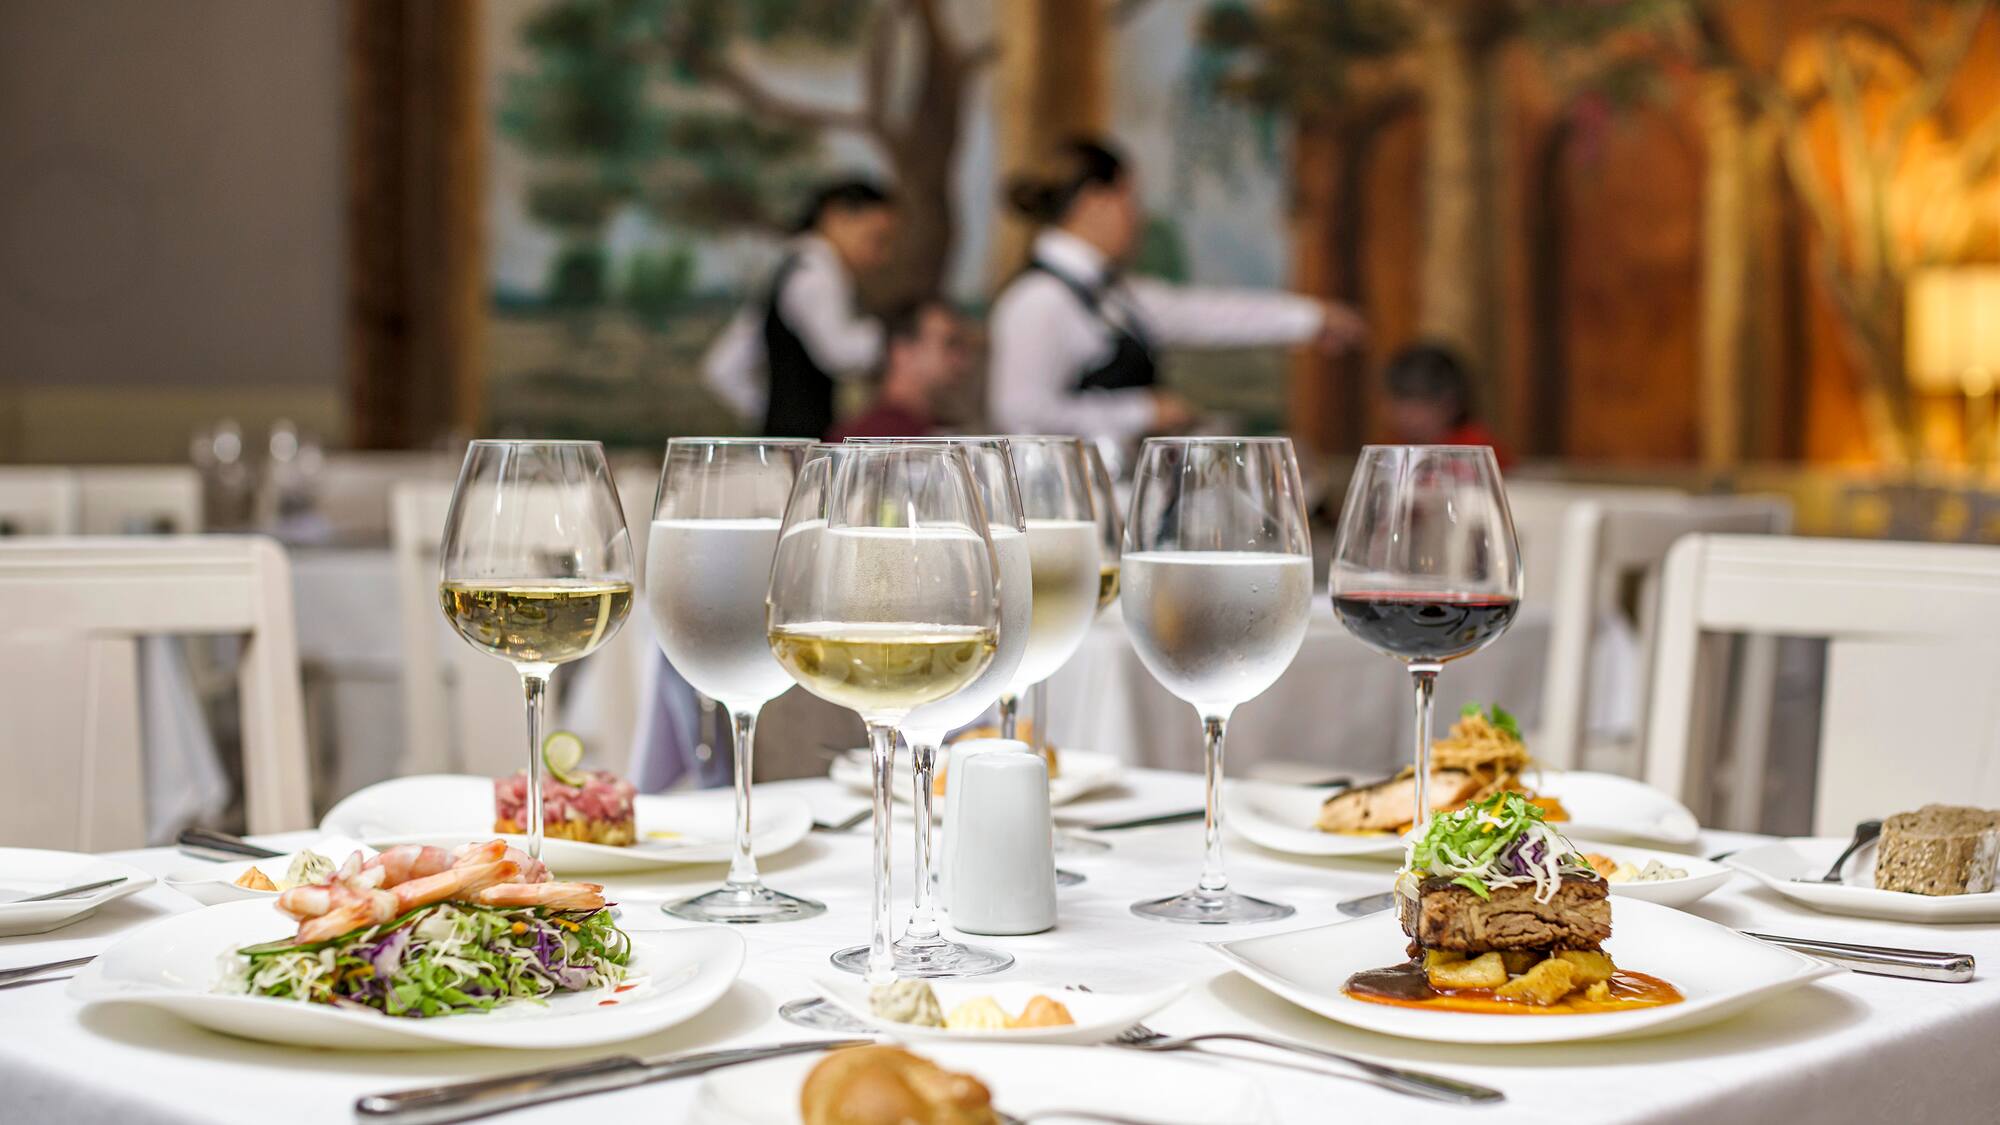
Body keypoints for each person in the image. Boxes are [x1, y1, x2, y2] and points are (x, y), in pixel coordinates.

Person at [986, 138, 1366, 445]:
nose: (1137, 216)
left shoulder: (1114, 293)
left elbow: (1204, 314)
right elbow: (1020, 414)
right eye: (1129, 198)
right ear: (1094, 202)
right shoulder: (1037, 300)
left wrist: (1312, 319)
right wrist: (1142, 412)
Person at [703, 179, 898, 438]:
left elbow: (723, 367)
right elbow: (840, 352)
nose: (882, 257)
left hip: (790, 441)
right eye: (876, 239)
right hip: (806, 448)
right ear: (834, 217)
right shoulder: (816, 274)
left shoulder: (791, 267)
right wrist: (897, 335)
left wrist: (774, 416)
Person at [827, 298, 969, 441]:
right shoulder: (867, 439)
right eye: (950, 344)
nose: (962, 360)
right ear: (901, 352)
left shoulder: (935, 429)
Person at [1382, 342, 1512, 465]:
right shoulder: (1396, 448)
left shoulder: (1474, 449)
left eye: (1418, 404)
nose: (1405, 415)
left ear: (1450, 404)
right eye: (1398, 402)